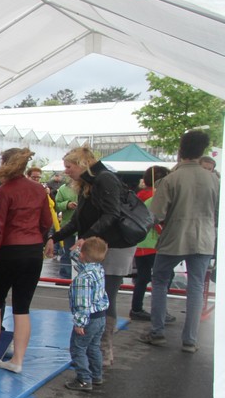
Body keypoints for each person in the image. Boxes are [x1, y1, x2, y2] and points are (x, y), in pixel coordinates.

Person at [46, 146, 138, 367]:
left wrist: (85, 237)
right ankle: (95, 350)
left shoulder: (104, 179)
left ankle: (103, 350)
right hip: (100, 245)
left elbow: (111, 214)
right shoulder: (88, 184)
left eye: (69, 166)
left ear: (82, 164)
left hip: (114, 246)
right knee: (97, 296)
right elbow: (77, 220)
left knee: (104, 297)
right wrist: (54, 237)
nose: (66, 171)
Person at [139, 130, 219, 353]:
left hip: (174, 238)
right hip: (204, 239)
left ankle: (157, 332)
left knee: (159, 281)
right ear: (202, 150)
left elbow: (156, 215)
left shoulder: (171, 179)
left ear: (181, 150)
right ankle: (190, 340)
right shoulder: (214, 179)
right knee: (196, 287)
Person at [0, 148, 51, 374]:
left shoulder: (5, 191)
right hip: (33, 251)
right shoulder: (39, 189)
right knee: (22, 307)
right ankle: (17, 360)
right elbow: (46, 222)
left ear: (5, 163)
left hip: (9, 250)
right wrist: (36, 237)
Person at [65, 237, 110, 392]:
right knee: (94, 347)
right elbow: (78, 257)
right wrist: (78, 249)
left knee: (78, 348)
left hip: (89, 318)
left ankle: (84, 379)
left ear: (83, 255)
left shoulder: (83, 278)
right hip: (101, 316)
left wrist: (80, 323)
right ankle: (97, 376)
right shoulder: (98, 269)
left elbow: (83, 303)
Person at [129, 165, 170, 321]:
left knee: (143, 277)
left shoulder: (140, 195)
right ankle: (158, 310)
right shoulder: (154, 197)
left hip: (142, 242)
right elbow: (156, 221)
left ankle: (137, 308)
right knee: (161, 277)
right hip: (151, 243)